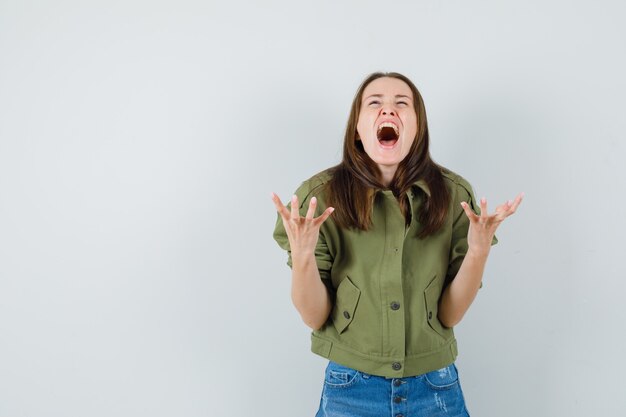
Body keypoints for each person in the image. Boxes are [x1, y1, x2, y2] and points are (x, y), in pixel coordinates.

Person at [270, 71, 523, 417]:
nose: (388, 111)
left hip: (436, 386)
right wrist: (302, 256)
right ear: (357, 128)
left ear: (416, 128)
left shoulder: (454, 196)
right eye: (375, 103)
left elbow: (450, 314)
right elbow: (315, 317)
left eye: (401, 104)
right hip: (351, 389)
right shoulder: (318, 198)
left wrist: (478, 252)